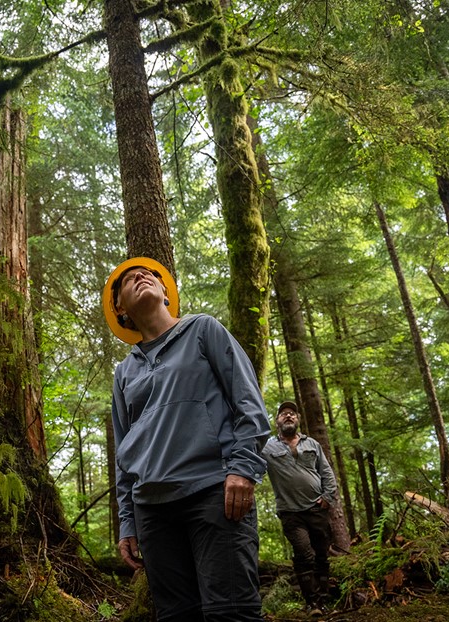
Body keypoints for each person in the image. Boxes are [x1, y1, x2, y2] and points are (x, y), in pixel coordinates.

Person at [102, 257, 272, 622]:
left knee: (232, 612)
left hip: (214, 493)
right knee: (177, 615)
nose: (142, 276)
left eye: (150, 275)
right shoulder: (124, 372)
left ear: (165, 293)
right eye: (129, 279)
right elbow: (124, 452)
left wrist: (244, 468)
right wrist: (128, 522)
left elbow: (248, 401)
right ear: (120, 309)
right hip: (152, 509)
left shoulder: (202, 330)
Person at [262, 400, 337, 616]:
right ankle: (312, 603)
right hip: (290, 513)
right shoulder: (268, 447)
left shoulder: (312, 444)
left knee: (321, 554)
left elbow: (326, 472)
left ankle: (323, 600)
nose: (288, 416)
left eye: (292, 414)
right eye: (284, 414)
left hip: (316, 509)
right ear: (277, 421)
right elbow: (251, 461)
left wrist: (327, 497)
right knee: (304, 553)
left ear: (298, 420)